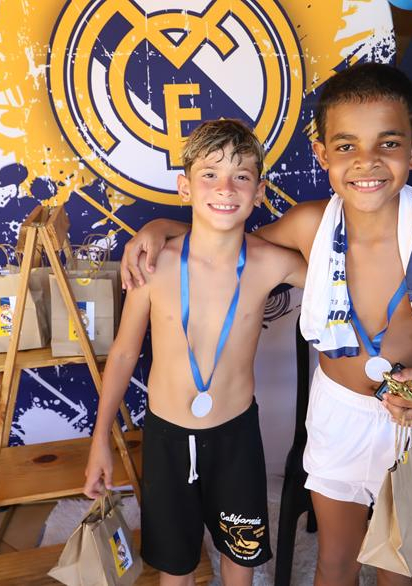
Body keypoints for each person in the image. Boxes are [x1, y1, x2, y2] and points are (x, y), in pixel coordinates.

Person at [120, 62, 412, 586]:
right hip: (339, 416)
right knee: (335, 561)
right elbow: (227, 241)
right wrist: (161, 225)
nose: (367, 162)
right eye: (346, 146)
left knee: (400, 563)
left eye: (389, 144)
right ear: (322, 155)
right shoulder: (309, 224)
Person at [83, 119, 306, 586]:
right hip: (166, 437)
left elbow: (346, 274)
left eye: (241, 176)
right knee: (176, 566)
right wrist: (100, 437)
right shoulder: (153, 263)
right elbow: (123, 354)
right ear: (185, 187)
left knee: (241, 558)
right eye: (210, 175)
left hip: (236, 438)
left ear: (259, 191)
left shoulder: (272, 263)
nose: (225, 188)